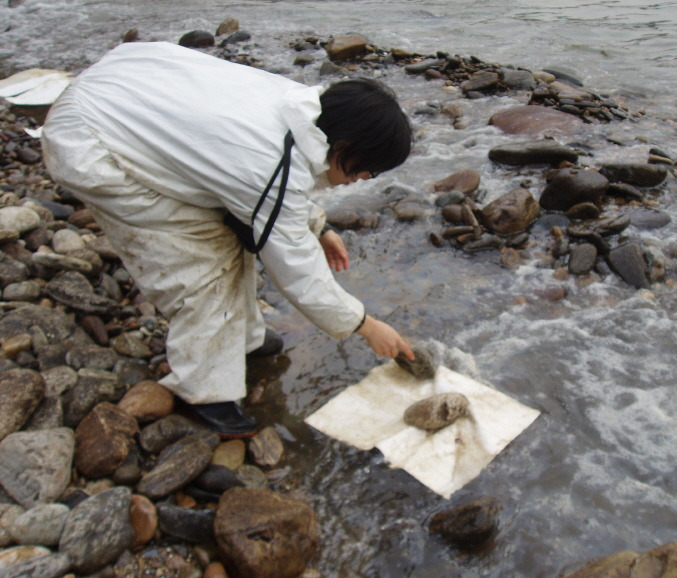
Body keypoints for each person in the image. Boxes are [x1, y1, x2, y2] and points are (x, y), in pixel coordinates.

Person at [41, 41, 414, 438]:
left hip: (129, 85)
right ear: (342, 148)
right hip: (93, 140)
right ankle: (203, 391)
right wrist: (364, 324)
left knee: (237, 234)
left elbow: (270, 181)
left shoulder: (301, 109)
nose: (361, 180)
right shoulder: (269, 161)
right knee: (201, 264)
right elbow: (298, 270)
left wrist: (318, 226)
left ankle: (243, 339)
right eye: (363, 171)